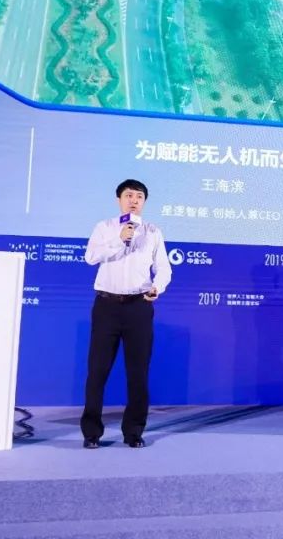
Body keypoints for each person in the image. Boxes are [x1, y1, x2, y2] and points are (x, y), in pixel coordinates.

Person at [81, 179, 172, 449]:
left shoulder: (153, 232)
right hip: (107, 306)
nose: (134, 200)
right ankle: (91, 433)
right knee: (97, 371)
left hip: (138, 307)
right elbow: (90, 257)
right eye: (129, 195)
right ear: (119, 199)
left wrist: (158, 287)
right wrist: (119, 240)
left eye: (139, 196)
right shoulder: (105, 228)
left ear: (144, 202)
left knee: (138, 373)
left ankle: (133, 432)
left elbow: (164, 267)